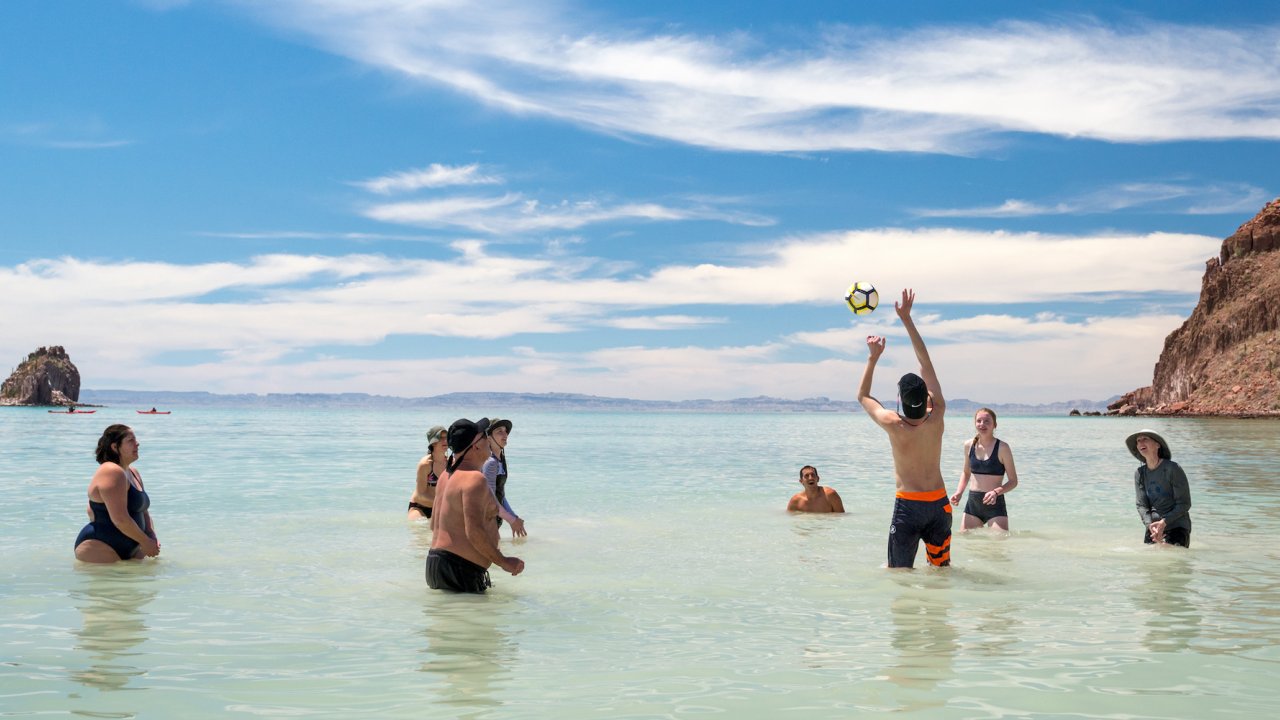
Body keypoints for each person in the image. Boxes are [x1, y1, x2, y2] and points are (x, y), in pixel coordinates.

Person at [857, 288, 951, 569]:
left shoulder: (894, 424)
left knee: (899, 575)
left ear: (900, 401)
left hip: (908, 507)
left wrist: (873, 357)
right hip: (939, 505)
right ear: (927, 398)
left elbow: (863, 396)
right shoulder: (938, 414)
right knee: (941, 573)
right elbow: (925, 363)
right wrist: (907, 319)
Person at [427, 418, 524, 593]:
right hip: (460, 569)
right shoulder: (474, 479)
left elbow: (433, 525)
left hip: (436, 565)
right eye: (484, 436)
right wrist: (504, 562)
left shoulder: (445, 477)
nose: (488, 439)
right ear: (476, 446)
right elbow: (474, 531)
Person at [74, 425, 160, 563]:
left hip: (133, 546)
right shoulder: (111, 471)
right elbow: (120, 519)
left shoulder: (133, 472)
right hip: (101, 545)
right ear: (115, 447)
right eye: (130, 440)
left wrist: (151, 536)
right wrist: (145, 542)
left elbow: (144, 511)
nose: (137, 443)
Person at [950, 408, 1019, 531]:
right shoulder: (969, 445)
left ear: (994, 425)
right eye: (979, 421)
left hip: (995, 503)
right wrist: (959, 492)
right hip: (973, 504)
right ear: (975, 423)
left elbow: (1013, 481)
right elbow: (966, 473)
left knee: (999, 542)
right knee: (967, 541)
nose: (982, 424)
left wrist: (995, 492)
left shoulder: (1003, 448)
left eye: (987, 421)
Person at [1126, 429, 1192, 548]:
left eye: (1145, 439)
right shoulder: (1139, 473)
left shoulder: (1173, 468)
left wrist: (1163, 522)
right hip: (1153, 528)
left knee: (1172, 557)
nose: (1140, 443)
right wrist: (1150, 525)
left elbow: (1184, 504)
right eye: (1138, 441)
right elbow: (1141, 505)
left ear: (1157, 445)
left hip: (1177, 526)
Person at [483, 418, 526, 538]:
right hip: (486, 521)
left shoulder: (500, 460)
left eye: (505, 431)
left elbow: (500, 494)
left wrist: (513, 516)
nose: (505, 434)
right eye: (499, 431)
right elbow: (490, 499)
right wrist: (511, 520)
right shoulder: (490, 463)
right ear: (489, 438)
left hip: (494, 519)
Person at [408, 425, 447, 520]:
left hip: (440, 507)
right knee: (421, 525)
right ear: (433, 443)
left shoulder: (451, 463)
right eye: (441, 438)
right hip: (420, 507)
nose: (445, 440)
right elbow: (419, 496)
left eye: (447, 437)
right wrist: (445, 503)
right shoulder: (425, 464)